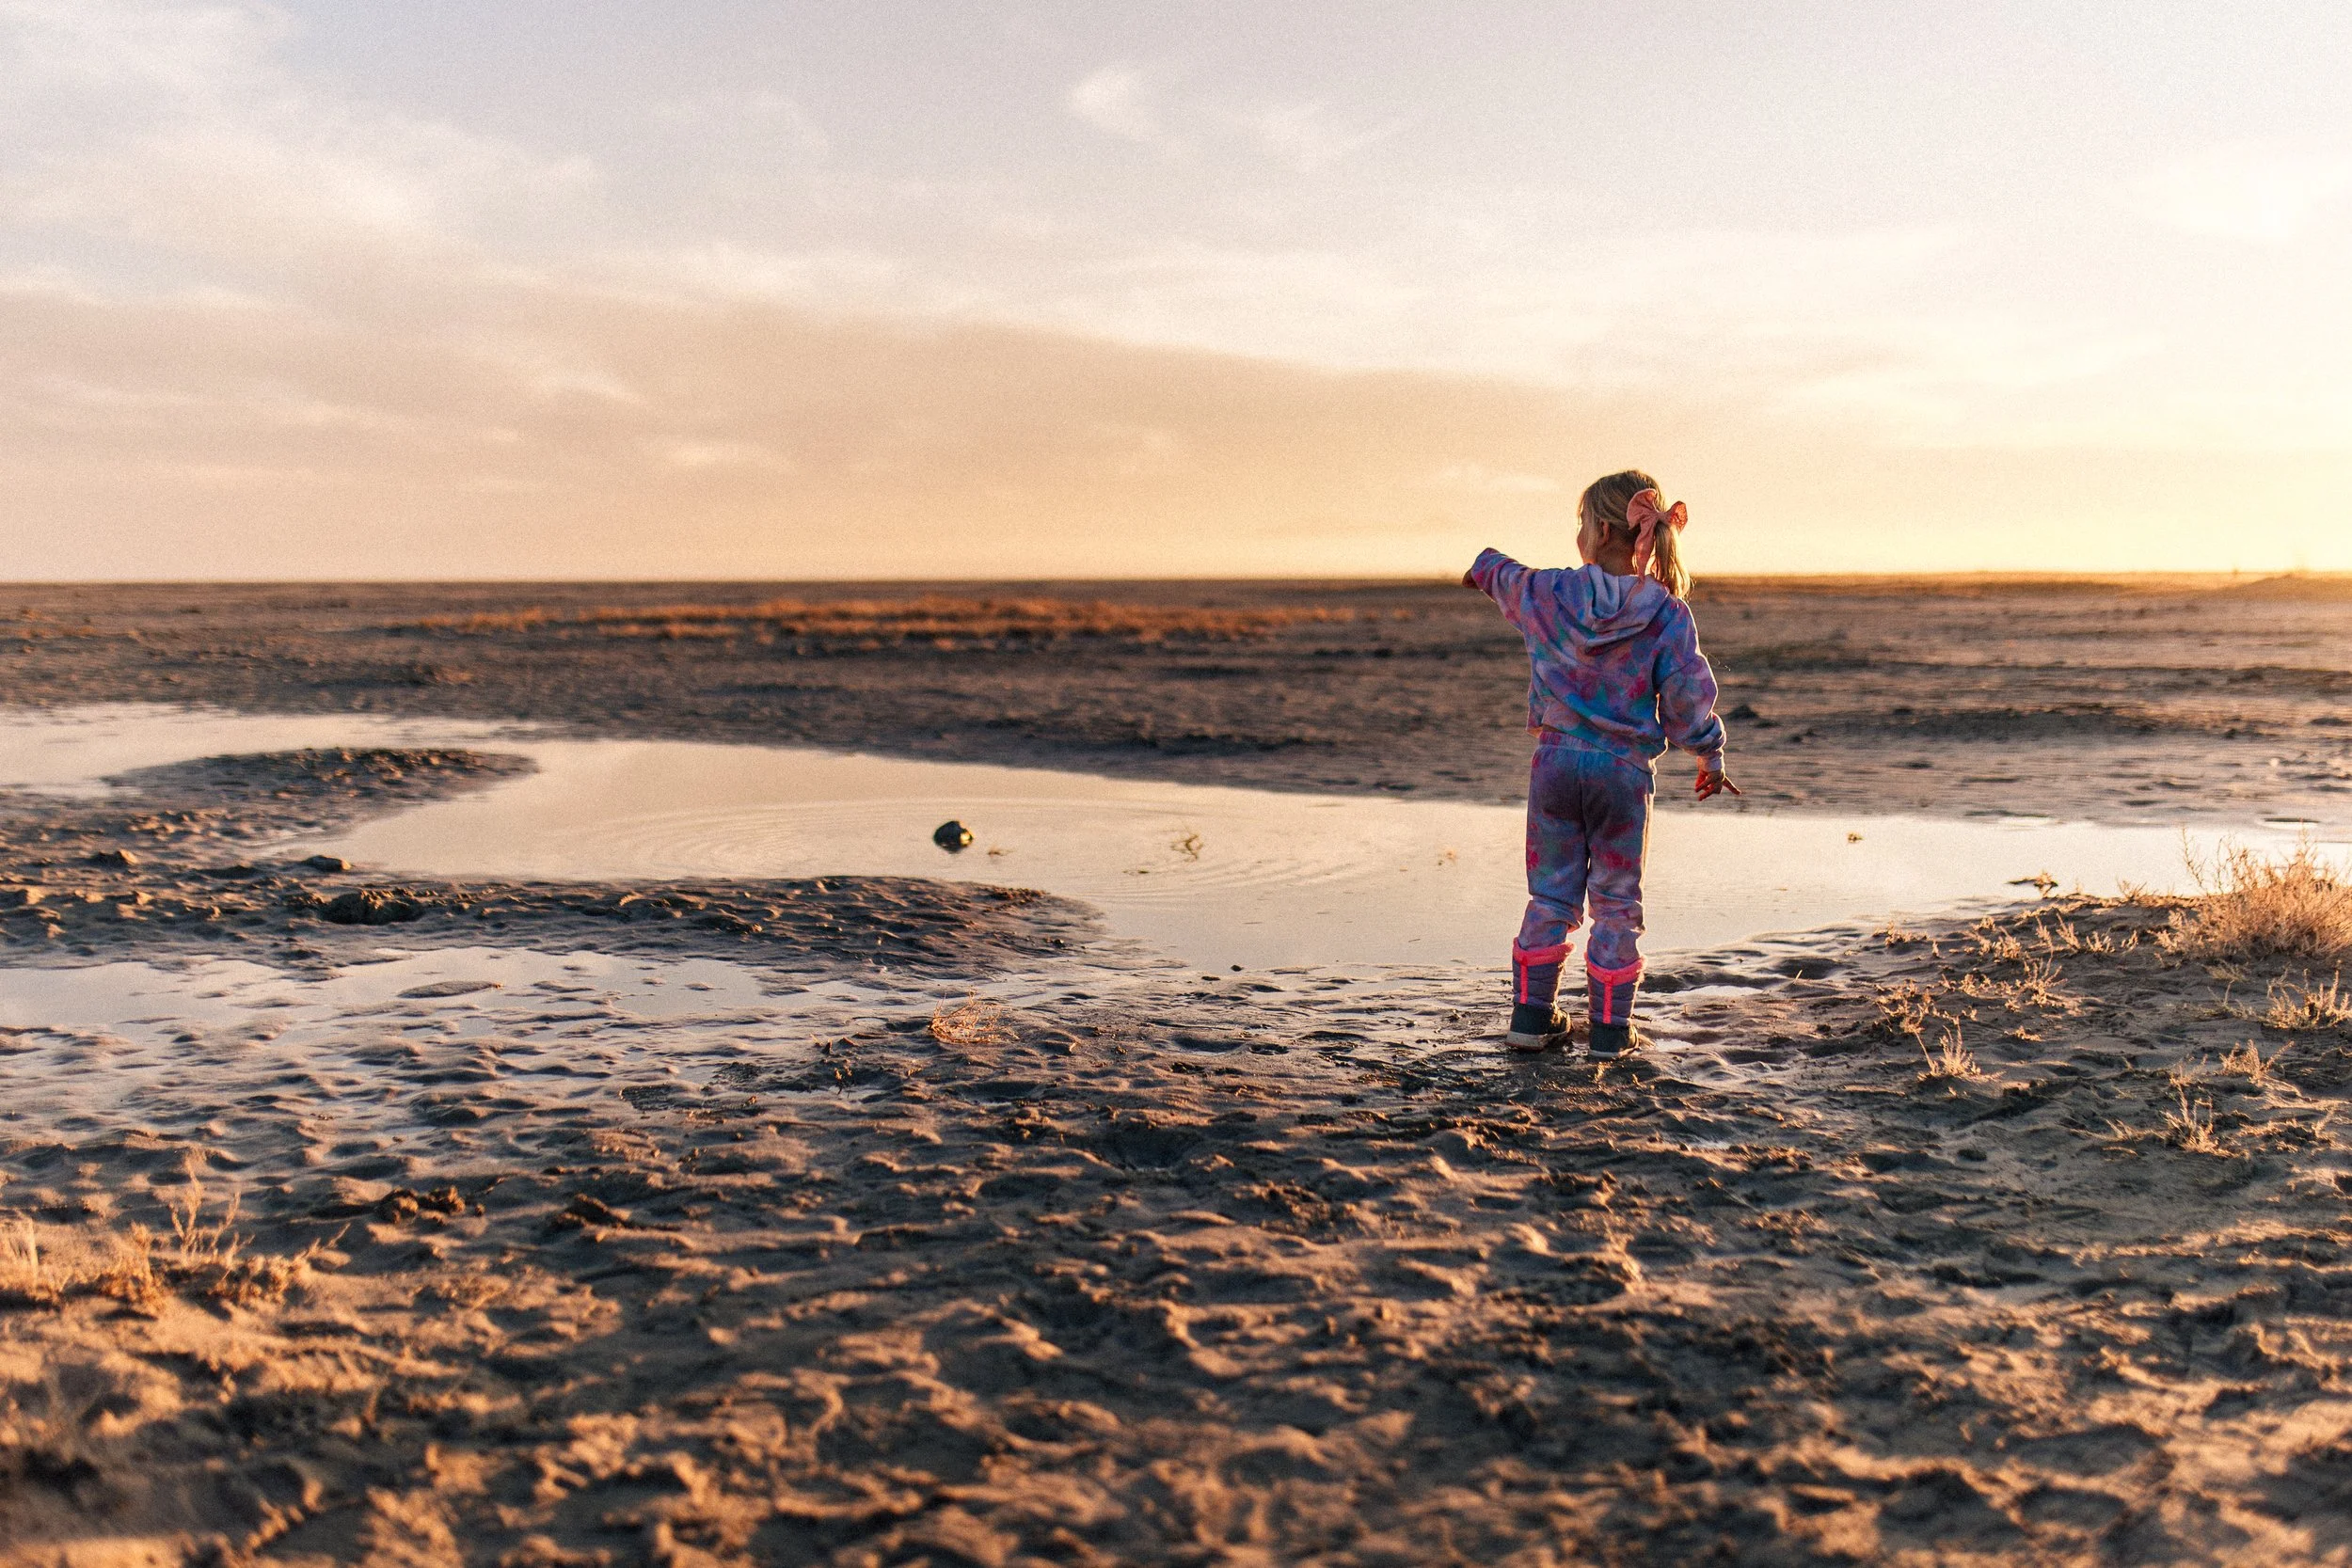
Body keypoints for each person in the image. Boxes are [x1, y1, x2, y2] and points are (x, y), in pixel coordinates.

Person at [1462, 469, 1738, 1058]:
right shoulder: (1666, 613)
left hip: (1556, 765)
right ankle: (1610, 1031)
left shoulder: (1553, 593)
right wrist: (1709, 752)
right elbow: (1689, 695)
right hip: (1623, 773)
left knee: (1550, 896)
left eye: (1582, 523)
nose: (1578, 533)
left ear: (1604, 529)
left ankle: (1530, 1019)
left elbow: (1505, 576)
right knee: (1616, 899)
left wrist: (1482, 568)